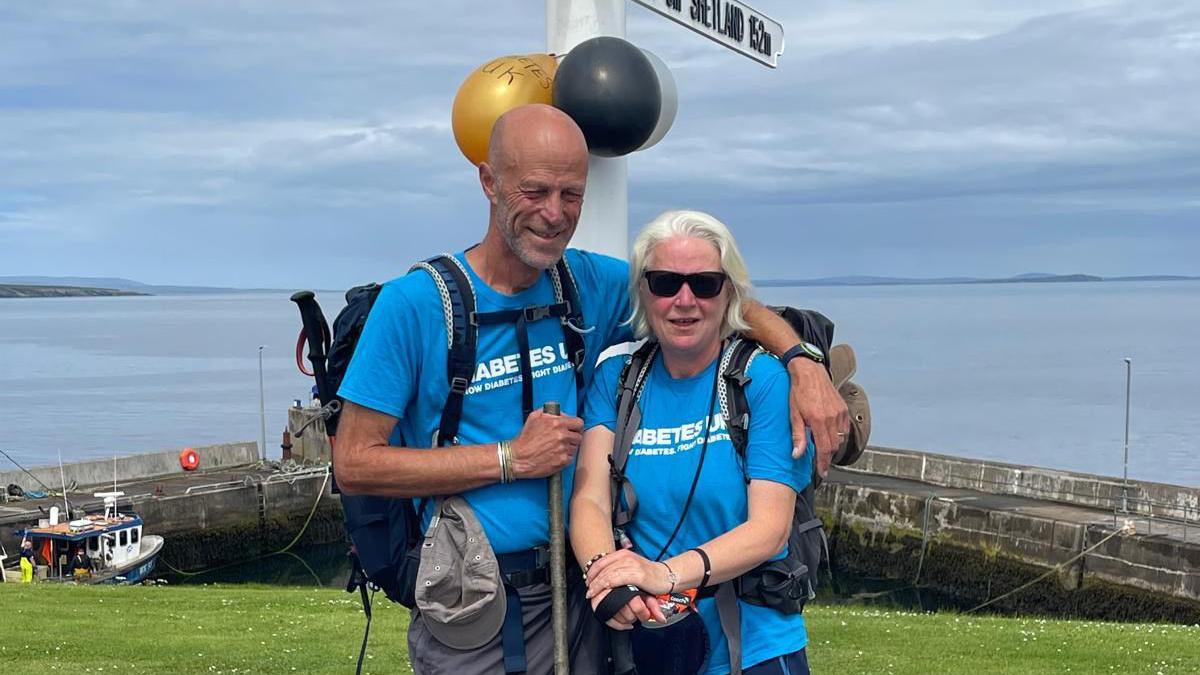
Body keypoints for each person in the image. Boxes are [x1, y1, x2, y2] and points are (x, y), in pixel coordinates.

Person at [335, 104, 841, 674]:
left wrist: (801, 361)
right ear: (488, 182)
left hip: (583, 594)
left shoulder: (587, 284)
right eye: (535, 190)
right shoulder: (416, 305)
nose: (554, 214)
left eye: (571, 195)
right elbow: (354, 463)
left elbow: (708, 297)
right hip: (472, 595)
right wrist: (509, 459)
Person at [571, 210, 813, 675]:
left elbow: (770, 529)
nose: (685, 301)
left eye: (704, 284)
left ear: (728, 294)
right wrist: (611, 582)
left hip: (755, 650)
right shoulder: (618, 381)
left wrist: (660, 575)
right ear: (643, 291)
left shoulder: (759, 381)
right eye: (665, 283)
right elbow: (590, 498)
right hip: (653, 645)